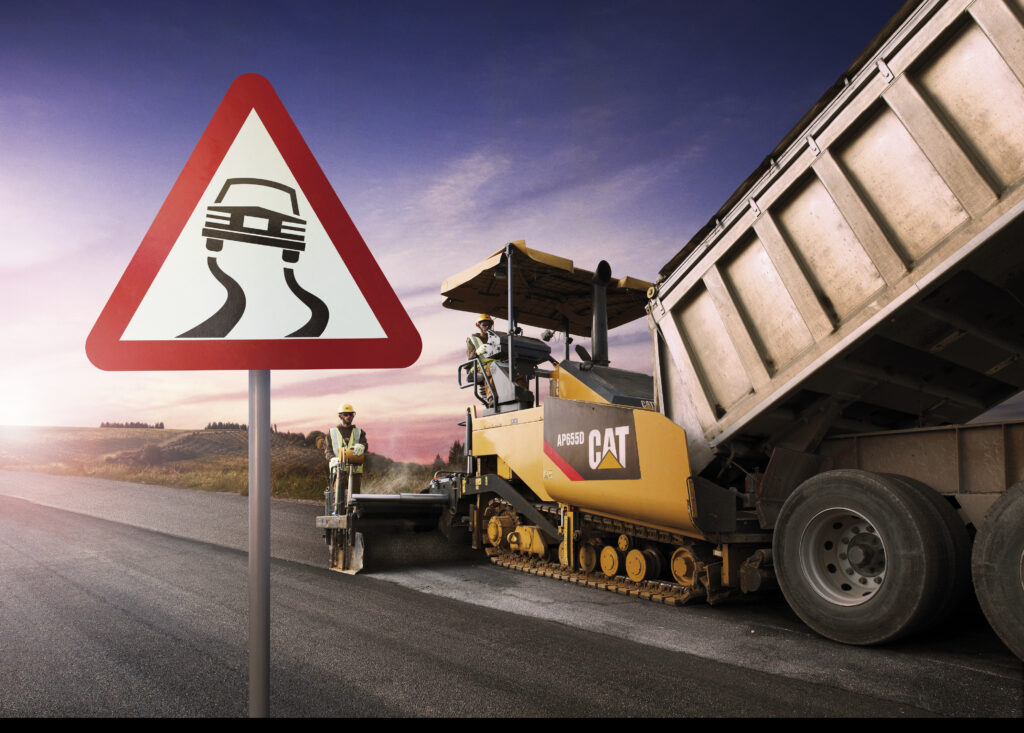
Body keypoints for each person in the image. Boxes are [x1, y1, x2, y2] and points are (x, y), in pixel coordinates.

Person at [324, 402, 368, 509]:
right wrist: (332, 458)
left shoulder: (359, 432)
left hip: (355, 470)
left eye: (351, 414)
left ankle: (354, 520)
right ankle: (338, 518)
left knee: (355, 499)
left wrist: (363, 447)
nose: (349, 416)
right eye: (346, 414)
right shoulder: (332, 432)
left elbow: (364, 445)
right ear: (340, 416)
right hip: (339, 469)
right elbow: (328, 450)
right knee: (338, 499)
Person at [466, 314, 502, 402]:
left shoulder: (496, 338)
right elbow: (470, 356)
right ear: (478, 325)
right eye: (484, 324)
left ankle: (521, 396)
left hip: (496, 364)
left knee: (515, 371)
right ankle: (491, 398)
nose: (487, 327)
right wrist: (477, 352)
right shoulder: (473, 339)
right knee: (492, 369)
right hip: (479, 367)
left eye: (489, 325)